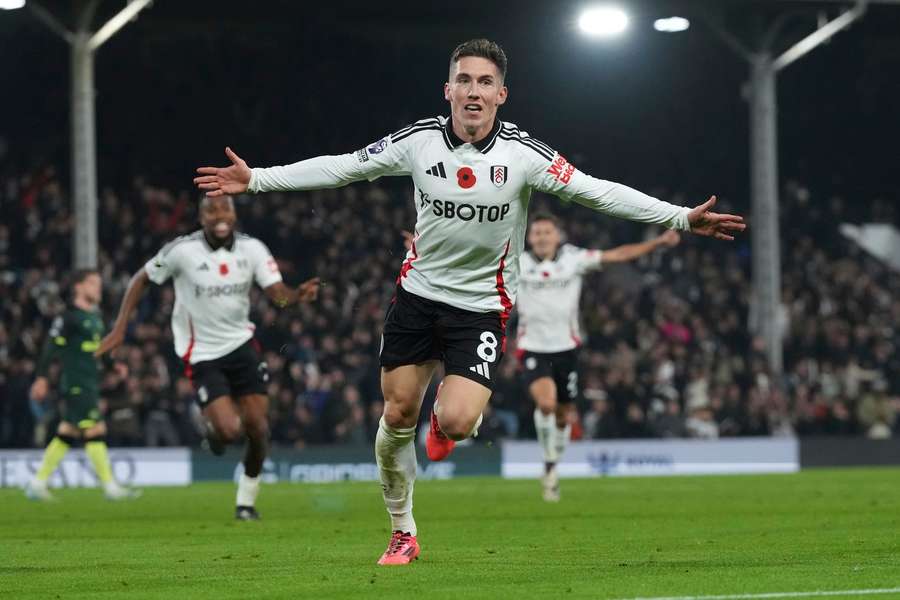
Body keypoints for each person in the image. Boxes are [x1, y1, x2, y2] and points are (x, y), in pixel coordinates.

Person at [193, 38, 744, 563]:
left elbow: (597, 189)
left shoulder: (526, 156)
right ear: (448, 90)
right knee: (395, 413)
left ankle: (452, 423)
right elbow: (344, 166)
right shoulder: (418, 142)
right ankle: (402, 531)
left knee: (454, 421)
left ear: (501, 94)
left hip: (481, 305)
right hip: (417, 298)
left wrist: (678, 217)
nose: (474, 90)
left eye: (485, 81)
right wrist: (259, 179)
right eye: (464, 80)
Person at [96, 195, 319, 520]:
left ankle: (246, 501)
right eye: (211, 210)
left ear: (234, 213)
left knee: (258, 428)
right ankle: (213, 433)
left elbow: (278, 297)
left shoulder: (252, 249)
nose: (219, 215)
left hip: (241, 344)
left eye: (225, 208)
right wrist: (118, 331)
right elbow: (141, 279)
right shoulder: (181, 251)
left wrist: (298, 296)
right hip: (202, 353)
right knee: (229, 432)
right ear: (200, 218)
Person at [517, 212, 681, 501]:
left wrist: (657, 243)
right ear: (529, 237)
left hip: (566, 348)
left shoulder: (574, 258)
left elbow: (617, 255)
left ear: (558, 236)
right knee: (546, 403)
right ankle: (548, 461)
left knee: (564, 414)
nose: (541, 238)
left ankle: (552, 465)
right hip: (532, 347)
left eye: (547, 232)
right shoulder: (518, 262)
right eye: (537, 233)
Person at [25, 269, 140, 502]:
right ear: (78, 287)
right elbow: (50, 347)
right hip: (76, 383)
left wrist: (113, 366)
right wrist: (42, 378)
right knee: (95, 429)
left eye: (98, 284)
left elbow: (99, 350)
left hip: (90, 381)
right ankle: (110, 487)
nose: (98, 288)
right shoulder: (68, 317)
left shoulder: (95, 318)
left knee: (67, 432)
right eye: (92, 283)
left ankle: (38, 483)